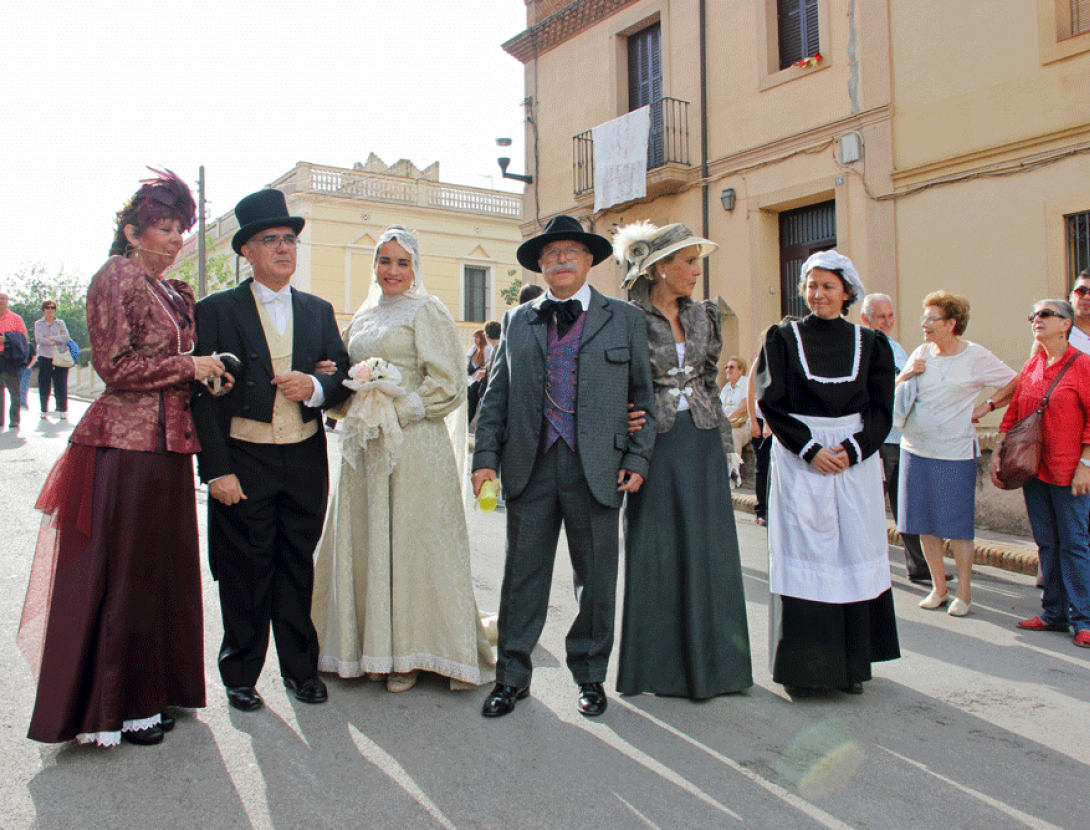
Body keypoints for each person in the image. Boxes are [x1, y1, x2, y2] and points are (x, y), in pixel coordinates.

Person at [18, 169, 221, 745]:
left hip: (169, 448)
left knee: (163, 575)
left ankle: (158, 690)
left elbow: (169, 366)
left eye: (180, 228)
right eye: (164, 227)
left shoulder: (171, 291)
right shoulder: (117, 275)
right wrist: (190, 365)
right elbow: (115, 366)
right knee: (128, 576)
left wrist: (206, 374)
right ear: (132, 233)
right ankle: (121, 707)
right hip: (125, 448)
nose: (176, 239)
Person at [472, 214, 656, 718]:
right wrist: (485, 458)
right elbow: (495, 397)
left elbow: (645, 397)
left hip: (597, 467)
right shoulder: (517, 320)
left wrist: (637, 456)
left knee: (595, 580)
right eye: (551, 253)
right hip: (528, 465)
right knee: (521, 577)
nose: (561, 260)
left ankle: (590, 676)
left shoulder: (624, 319)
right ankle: (511, 677)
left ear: (589, 259)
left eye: (571, 251)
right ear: (541, 265)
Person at [312, 226, 495, 693]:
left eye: (402, 262)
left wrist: (399, 408)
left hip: (414, 445)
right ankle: (369, 646)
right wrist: (339, 385)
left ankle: (411, 653)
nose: (392, 271)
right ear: (374, 265)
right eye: (384, 261)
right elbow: (344, 378)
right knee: (368, 536)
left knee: (413, 541)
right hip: (366, 445)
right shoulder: (363, 317)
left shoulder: (428, 311)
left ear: (415, 268)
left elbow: (448, 382)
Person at [191, 189, 351, 713]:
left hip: (303, 457)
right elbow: (202, 398)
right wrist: (216, 471)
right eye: (270, 240)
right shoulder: (215, 310)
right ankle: (240, 673)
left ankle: (301, 671)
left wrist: (316, 386)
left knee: (296, 566)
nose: (284, 248)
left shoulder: (317, 310)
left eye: (289, 239)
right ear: (247, 251)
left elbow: (343, 374)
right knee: (244, 571)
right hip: (244, 457)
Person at [612, 221, 751, 698]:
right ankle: (658, 669)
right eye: (689, 262)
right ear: (660, 268)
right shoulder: (627, 319)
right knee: (656, 551)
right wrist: (623, 424)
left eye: (697, 262)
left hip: (703, 440)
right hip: (654, 445)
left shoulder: (704, 316)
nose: (697, 271)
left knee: (709, 551)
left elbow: (709, 381)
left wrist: (727, 445)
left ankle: (717, 669)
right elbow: (615, 383)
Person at [755, 250, 899, 694]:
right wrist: (810, 448)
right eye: (811, 285)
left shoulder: (872, 344)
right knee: (807, 552)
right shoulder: (782, 338)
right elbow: (771, 403)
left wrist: (854, 449)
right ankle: (805, 670)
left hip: (853, 460)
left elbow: (882, 409)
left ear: (847, 293)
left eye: (828, 286)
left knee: (851, 550)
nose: (818, 294)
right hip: (801, 458)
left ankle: (850, 667)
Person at [897, 290, 1017, 616]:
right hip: (915, 449)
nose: (924, 324)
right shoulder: (921, 352)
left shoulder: (975, 356)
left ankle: (963, 592)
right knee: (923, 524)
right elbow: (898, 392)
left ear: (951, 323)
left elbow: (1014, 382)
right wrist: (905, 375)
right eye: (923, 318)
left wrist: (987, 406)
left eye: (931, 319)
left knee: (958, 527)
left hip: (954, 452)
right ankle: (939, 587)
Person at [991, 300, 1090, 648]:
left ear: (1066, 324)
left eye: (1046, 314)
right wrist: (999, 447)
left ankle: (1084, 619)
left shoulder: (1082, 365)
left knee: (1075, 545)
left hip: (1069, 471)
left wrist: (1085, 465)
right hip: (1034, 470)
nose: (1037, 319)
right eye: (1034, 315)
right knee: (1047, 543)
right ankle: (1054, 612)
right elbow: (1016, 411)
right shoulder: (1032, 365)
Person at [860, 293, 934, 583]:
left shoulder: (897, 348)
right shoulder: (862, 347)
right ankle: (866, 564)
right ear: (866, 319)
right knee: (872, 506)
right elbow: (871, 391)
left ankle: (919, 566)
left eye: (890, 315)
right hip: (878, 439)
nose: (888, 321)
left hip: (903, 438)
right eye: (881, 316)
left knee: (908, 504)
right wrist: (905, 376)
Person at [34, 298, 71, 421]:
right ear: (43, 310)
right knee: (44, 384)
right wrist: (55, 340)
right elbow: (39, 339)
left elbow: (66, 337)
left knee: (61, 384)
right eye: (48, 307)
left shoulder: (60, 323)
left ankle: (62, 409)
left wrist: (50, 338)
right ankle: (44, 409)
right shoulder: (38, 324)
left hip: (59, 357)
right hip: (45, 357)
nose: (50, 310)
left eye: (52, 307)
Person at [0, 291, 29, 429]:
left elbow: (24, 338)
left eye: (3, 298)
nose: (1, 301)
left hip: (10, 359)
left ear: (7, 301)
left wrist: (7, 338)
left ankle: (14, 420)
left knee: (14, 391)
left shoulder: (16, 318)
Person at [719, 355, 749, 486]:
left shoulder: (746, 383)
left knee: (733, 434)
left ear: (741, 370)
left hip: (742, 425)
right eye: (726, 367)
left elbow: (744, 408)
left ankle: (734, 474)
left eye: (732, 367)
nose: (728, 370)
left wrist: (727, 419)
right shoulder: (726, 387)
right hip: (726, 424)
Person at [466, 329, 489, 423]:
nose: (475, 339)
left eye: (477, 337)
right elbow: (467, 359)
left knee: (472, 404)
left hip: (478, 380)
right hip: (470, 380)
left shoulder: (487, 349)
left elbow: (486, 365)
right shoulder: (474, 348)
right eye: (474, 337)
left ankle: (468, 422)